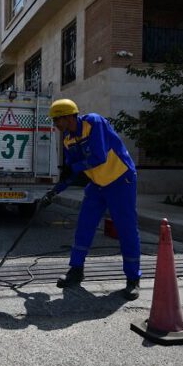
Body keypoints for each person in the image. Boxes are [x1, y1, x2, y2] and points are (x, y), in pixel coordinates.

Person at [41, 98, 142, 300]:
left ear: (69, 116)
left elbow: (99, 157)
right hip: (97, 185)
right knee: (84, 226)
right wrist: (55, 190)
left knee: (126, 229)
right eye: (54, 121)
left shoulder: (94, 123)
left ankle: (133, 279)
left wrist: (75, 168)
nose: (56, 125)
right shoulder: (68, 139)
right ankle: (76, 270)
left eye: (57, 120)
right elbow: (71, 173)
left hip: (121, 180)